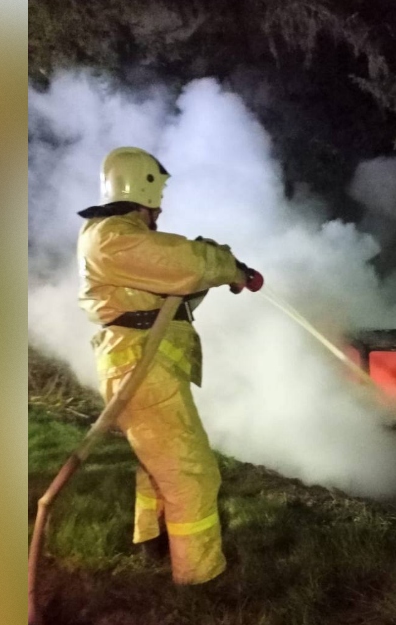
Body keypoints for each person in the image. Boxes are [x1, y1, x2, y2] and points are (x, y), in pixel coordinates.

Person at [77, 147, 263, 585]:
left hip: (144, 363)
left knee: (159, 464)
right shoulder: (110, 236)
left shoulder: (117, 238)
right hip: (140, 367)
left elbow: (173, 291)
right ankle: (201, 579)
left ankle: (152, 542)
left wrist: (218, 272)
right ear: (141, 187)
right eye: (157, 196)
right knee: (193, 473)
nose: (160, 207)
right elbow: (183, 264)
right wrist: (225, 265)